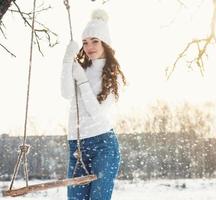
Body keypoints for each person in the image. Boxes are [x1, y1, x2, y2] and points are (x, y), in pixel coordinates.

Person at [61, 8, 126, 200]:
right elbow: (66, 94)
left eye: (95, 41)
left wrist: (82, 82)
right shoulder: (81, 68)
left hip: (102, 144)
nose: (89, 46)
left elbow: (98, 116)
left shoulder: (113, 75)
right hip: (76, 146)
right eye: (85, 42)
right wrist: (66, 63)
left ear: (105, 42)